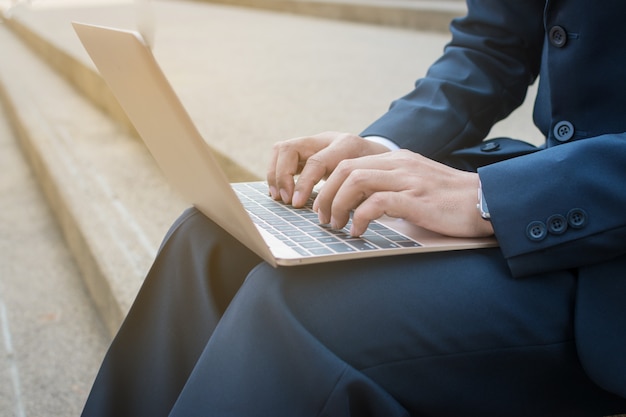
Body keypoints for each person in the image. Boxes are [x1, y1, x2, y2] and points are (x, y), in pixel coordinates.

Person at [81, 0, 626, 416]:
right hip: (552, 186)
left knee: (301, 309)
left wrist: (493, 198)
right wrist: (381, 151)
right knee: (211, 237)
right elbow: (495, 46)